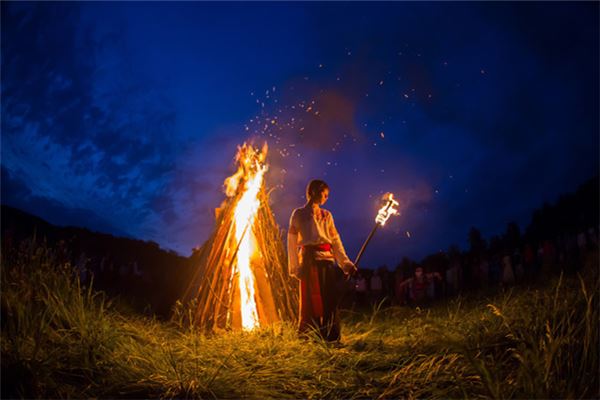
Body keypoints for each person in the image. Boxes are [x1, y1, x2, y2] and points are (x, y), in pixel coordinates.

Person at [287, 179, 356, 342]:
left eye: (327, 195)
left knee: (329, 300)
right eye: (324, 193)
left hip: (327, 263)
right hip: (308, 264)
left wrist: (346, 263)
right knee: (311, 303)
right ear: (314, 192)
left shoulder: (327, 215)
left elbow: (335, 241)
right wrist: (295, 268)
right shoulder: (298, 214)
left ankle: (331, 337)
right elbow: (291, 243)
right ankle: (311, 337)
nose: (326, 197)